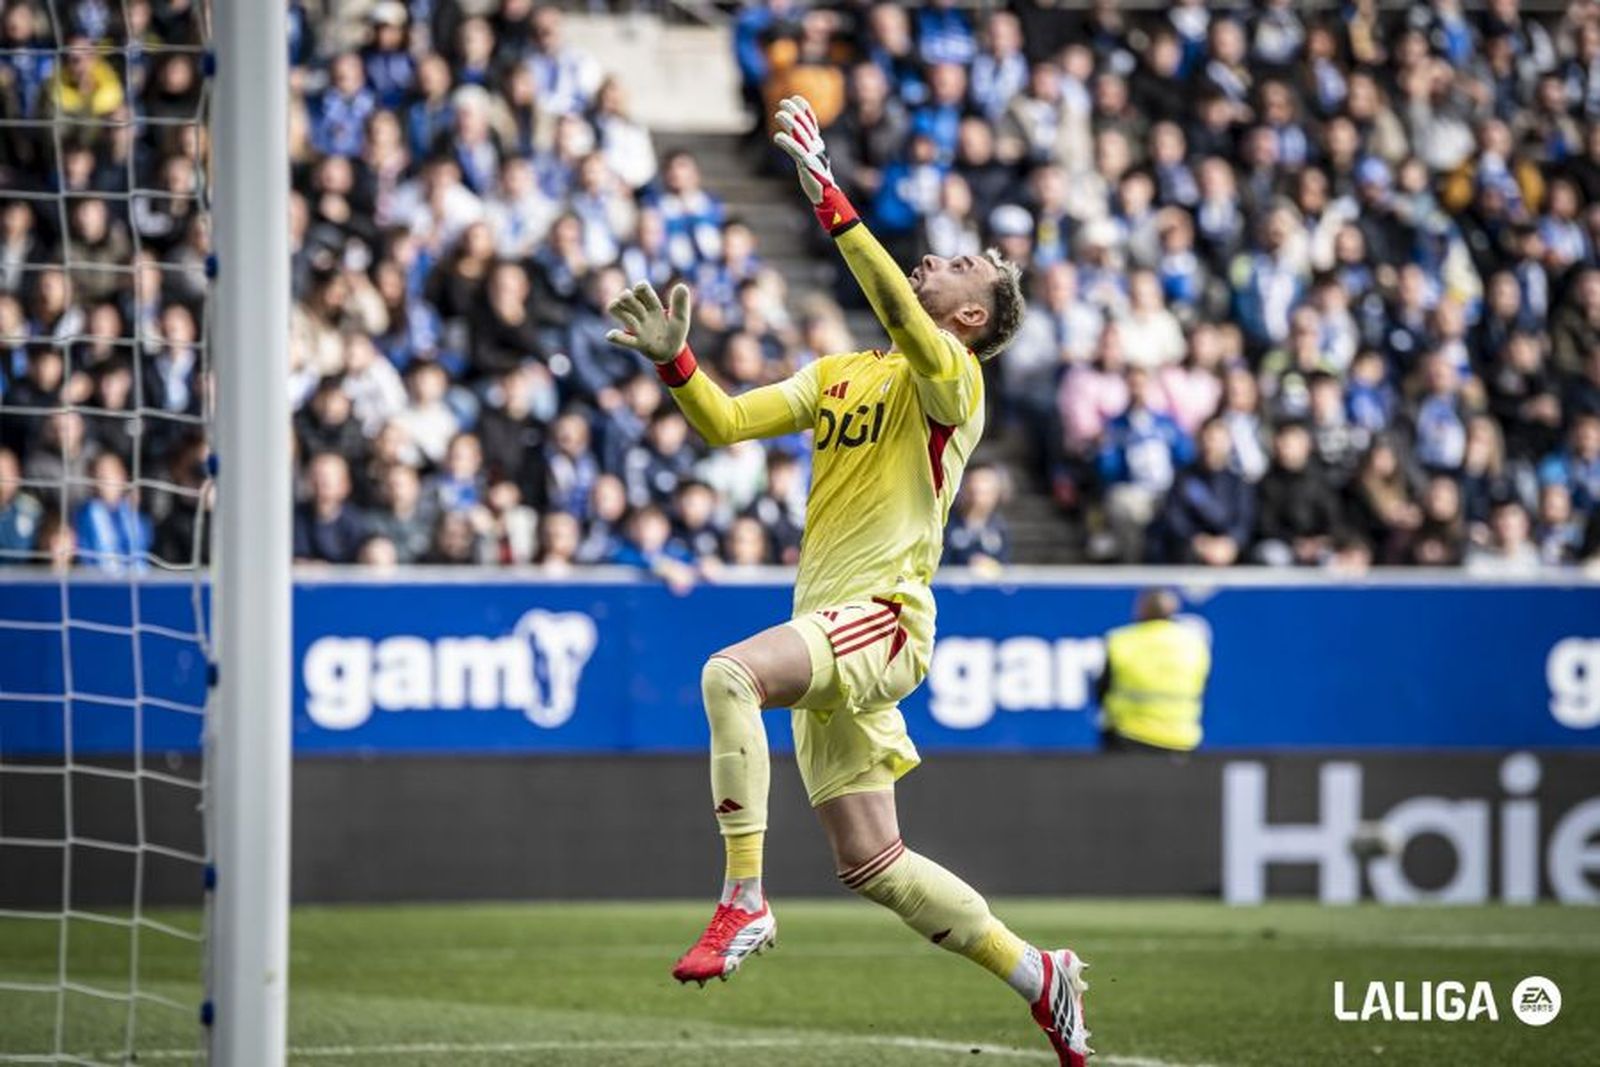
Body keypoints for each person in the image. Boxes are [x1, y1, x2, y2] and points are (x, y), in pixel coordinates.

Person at [603, 97, 1087, 1066]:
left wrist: (822, 186)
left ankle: (743, 899)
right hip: (832, 621)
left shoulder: (951, 377)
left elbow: (895, 305)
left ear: (971, 315)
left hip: (884, 617)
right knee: (875, 863)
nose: (936, 260)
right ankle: (1041, 973)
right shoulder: (839, 376)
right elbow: (727, 423)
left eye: (960, 266)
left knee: (727, 674)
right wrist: (676, 362)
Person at [1097, 588, 1212, 754]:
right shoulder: (1193, 643)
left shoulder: (1122, 641)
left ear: (1141, 610)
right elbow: (1203, 684)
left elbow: (1102, 688)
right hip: (1183, 738)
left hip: (1130, 734)